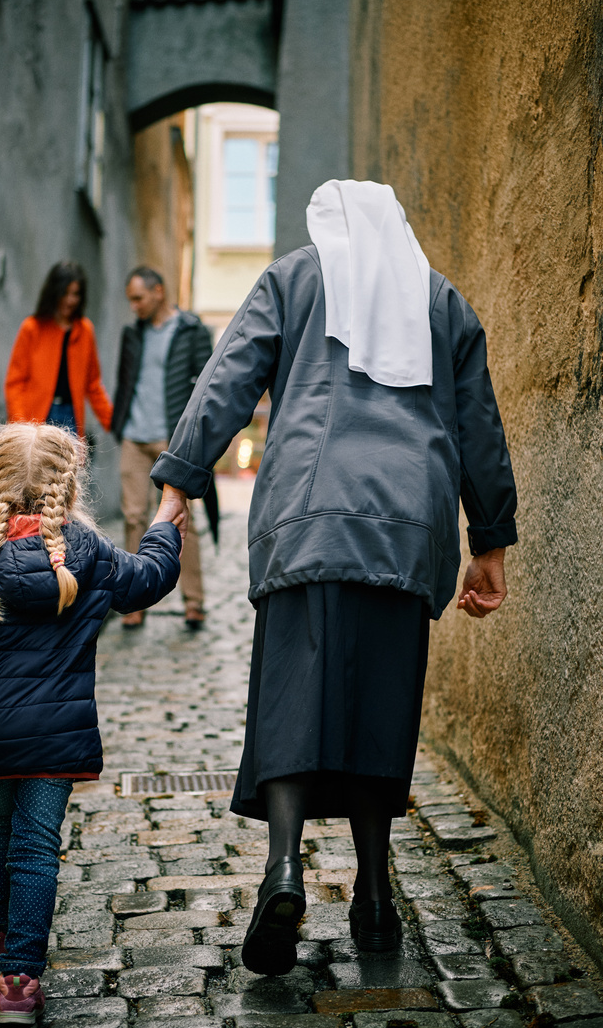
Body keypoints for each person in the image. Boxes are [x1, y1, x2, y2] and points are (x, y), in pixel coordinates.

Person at [150, 180, 518, 975]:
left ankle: (283, 870)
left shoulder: (295, 278)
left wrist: (179, 480)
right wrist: (489, 541)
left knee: (293, 695)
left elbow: (227, 380)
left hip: (308, 518)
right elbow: (478, 424)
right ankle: (375, 897)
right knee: (381, 708)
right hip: (406, 526)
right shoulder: (441, 301)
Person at [0, 423, 181, 1024]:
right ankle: (20, 985)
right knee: (34, 850)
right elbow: (150, 581)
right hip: (57, 737)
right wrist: (165, 527)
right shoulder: (91, 554)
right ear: (72, 483)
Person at [112, 266, 213, 629]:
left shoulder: (191, 331)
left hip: (172, 440)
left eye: (138, 298)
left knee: (182, 519)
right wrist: (118, 424)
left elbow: (207, 384)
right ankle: (133, 601)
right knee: (134, 517)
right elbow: (125, 381)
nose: (134, 306)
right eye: (131, 300)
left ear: (158, 292)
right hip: (134, 437)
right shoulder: (132, 334)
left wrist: (196, 437)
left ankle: (194, 601)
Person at [5, 261, 113, 437]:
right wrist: (19, 426)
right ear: (54, 292)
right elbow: (15, 383)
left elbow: (93, 384)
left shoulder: (85, 331)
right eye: (65, 293)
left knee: (69, 464)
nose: (70, 300)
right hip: (36, 418)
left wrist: (112, 421)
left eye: (75, 294)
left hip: (71, 416)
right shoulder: (32, 328)